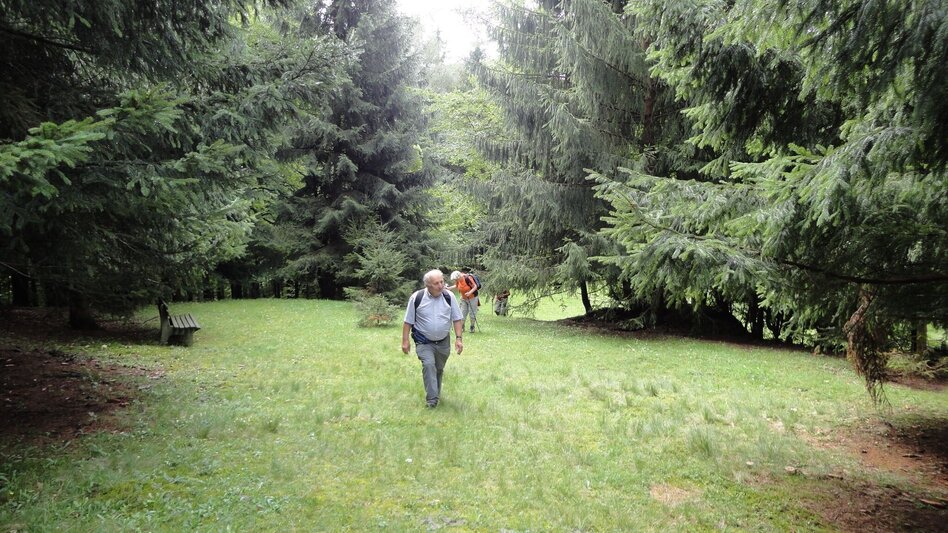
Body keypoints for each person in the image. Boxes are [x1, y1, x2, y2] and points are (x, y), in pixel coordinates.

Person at [402, 269, 464, 408]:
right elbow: (408, 321)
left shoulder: (449, 296)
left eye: (442, 281)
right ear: (428, 285)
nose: (441, 285)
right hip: (424, 341)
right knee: (429, 365)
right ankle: (432, 400)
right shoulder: (416, 298)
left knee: (438, 369)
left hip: (443, 341)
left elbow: (457, 318)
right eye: (436, 283)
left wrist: (459, 338)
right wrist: (405, 341)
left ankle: (435, 393)